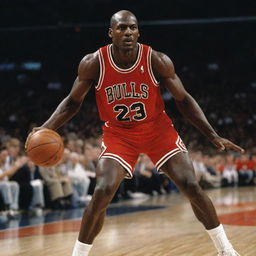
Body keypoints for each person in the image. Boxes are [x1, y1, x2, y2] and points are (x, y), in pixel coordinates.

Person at [26, 10, 244, 256]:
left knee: (190, 184)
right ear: (111, 32)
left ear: (138, 32)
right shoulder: (94, 62)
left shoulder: (156, 60)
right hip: (119, 134)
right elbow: (72, 103)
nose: (127, 32)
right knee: (102, 190)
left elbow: (183, 100)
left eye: (132, 27)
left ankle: (225, 250)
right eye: (121, 28)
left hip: (156, 129)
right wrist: (46, 127)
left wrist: (212, 135)